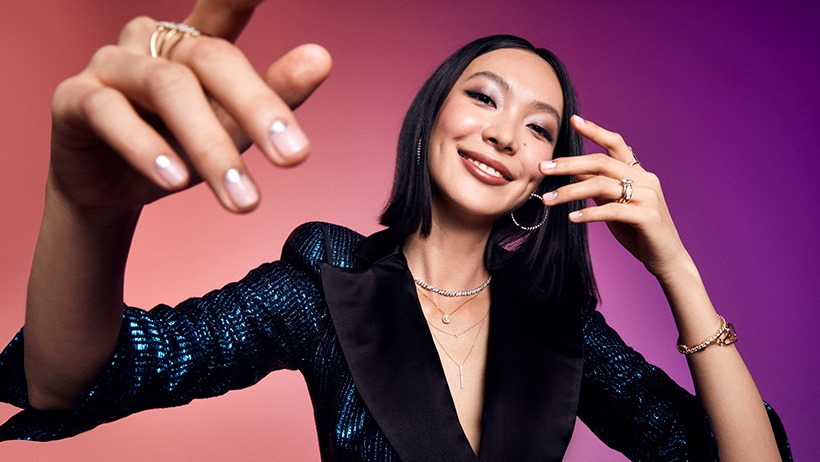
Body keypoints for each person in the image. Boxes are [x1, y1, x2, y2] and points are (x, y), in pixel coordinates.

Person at [0, 0, 791, 460]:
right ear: (428, 120)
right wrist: (88, 211)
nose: (504, 134)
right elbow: (72, 379)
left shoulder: (562, 328)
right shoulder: (322, 285)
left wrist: (676, 267)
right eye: (483, 98)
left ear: (545, 174)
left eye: (539, 128)